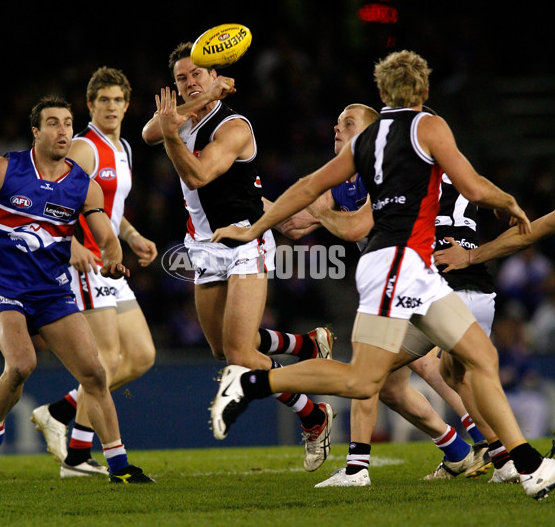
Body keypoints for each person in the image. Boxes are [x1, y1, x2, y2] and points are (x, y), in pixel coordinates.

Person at [208, 50, 555, 500]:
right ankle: (252, 381)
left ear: (383, 92)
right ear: (424, 91)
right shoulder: (427, 125)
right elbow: (471, 186)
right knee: (362, 380)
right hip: (396, 263)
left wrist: (254, 228)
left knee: (479, 360)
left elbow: (308, 187)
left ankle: (527, 466)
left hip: (414, 269)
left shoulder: (364, 143)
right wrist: (508, 202)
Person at [280, 104, 513, 486]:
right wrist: (255, 214)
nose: (336, 131)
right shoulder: (344, 177)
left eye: (347, 124)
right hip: (425, 280)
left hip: (417, 279)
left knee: (391, 366)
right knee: (409, 378)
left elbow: (351, 226)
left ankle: (360, 466)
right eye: (336, 124)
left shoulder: (389, 171)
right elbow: (295, 221)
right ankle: (469, 451)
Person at [142, 42, 334, 471]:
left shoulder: (234, 126)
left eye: (198, 75)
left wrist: (175, 128)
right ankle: (302, 344)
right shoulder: (192, 112)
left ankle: (314, 415)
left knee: (241, 356)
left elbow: (198, 173)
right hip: (203, 247)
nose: (190, 82)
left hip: (245, 241)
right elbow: (147, 134)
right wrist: (188, 111)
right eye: (181, 79)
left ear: (216, 75)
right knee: (219, 348)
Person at [0, 96, 152, 485]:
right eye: (53, 123)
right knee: (22, 365)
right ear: (36, 131)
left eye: (67, 123)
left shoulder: (82, 186)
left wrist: (112, 258)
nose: (63, 131)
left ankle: (119, 466)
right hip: (3, 287)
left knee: (95, 372)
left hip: (52, 291)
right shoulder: (4, 168)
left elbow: (106, 238)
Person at [30, 67, 158, 478]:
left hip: (109, 261)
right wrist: (72, 245)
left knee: (140, 356)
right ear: (90, 105)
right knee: (103, 360)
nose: (111, 107)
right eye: (103, 99)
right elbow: (49, 197)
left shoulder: (123, 149)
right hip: (85, 262)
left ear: (127, 104)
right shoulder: (85, 148)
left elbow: (106, 209)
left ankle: (58, 412)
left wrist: (133, 235)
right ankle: (78, 457)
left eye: (118, 100)